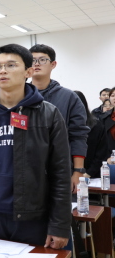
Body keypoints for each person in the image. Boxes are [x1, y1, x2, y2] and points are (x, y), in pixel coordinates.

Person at [0, 44, 71, 248]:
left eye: (11, 65)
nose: (3, 71)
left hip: (32, 214)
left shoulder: (49, 114)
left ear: (28, 72)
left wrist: (59, 225)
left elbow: (61, 172)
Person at [29, 44, 89, 191]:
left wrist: (78, 171)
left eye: (42, 59)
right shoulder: (19, 96)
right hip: (26, 169)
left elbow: (78, 135)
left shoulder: (69, 97)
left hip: (59, 168)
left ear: (53, 64)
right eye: (32, 60)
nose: (36, 64)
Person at [74, 91, 108, 178]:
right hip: (68, 176)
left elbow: (101, 154)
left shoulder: (97, 126)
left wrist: (88, 174)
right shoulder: (62, 125)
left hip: (92, 176)